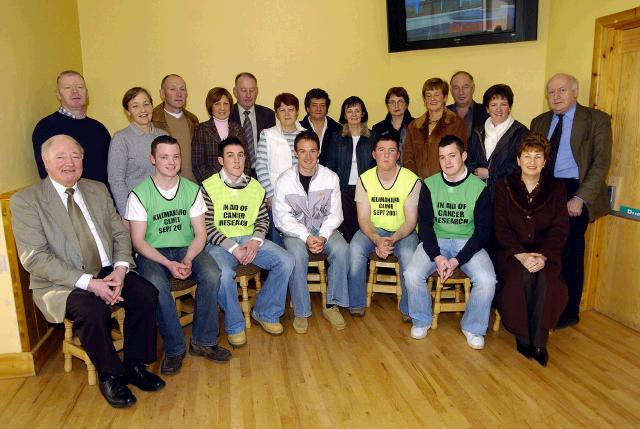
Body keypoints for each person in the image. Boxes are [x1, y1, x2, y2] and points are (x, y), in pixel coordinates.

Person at [11, 135, 164, 408]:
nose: (69, 163)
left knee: (146, 293)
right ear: (45, 162)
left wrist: (120, 268)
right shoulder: (27, 201)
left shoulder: (96, 189)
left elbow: (119, 233)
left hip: (108, 269)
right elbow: (35, 258)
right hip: (63, 281)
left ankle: (134, 364)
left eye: (75, 156)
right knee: (92, 310)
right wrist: (89, 283)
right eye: (60, 157)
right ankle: (110, 375)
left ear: (83, 160)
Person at [126, 135, 230, 375]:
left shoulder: (192, 190)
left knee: (213, 273)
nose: (171, 162)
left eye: (175, 156)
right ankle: (174, 349)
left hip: (186, 246)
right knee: (156, 285)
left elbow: (201, 233)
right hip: (153, 252)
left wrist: (188, 259)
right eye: (164, 157)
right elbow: (138, 241)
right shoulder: (139, 194)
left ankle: (203, 341)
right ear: (152, 159)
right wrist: (168, 264)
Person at [530, 73, 612, 328]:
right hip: (544, 189)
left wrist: (580, 198)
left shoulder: (596, 120)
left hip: (575, 189)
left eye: (562, 90)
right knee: (542, 248)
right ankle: (543, 305)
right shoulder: (539, 121)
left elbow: (601, 163)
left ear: (575, 92)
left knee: (570, 252)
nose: (556, 96)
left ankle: (567, 312)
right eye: (551, 92)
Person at [404, 134, 496, 349]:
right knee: (412, 274)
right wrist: (437, 256)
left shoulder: (479, 188)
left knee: (487, 280)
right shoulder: (428, 185)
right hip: (436, 241)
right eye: (442, 157)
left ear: (463, 156)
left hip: (468, 242)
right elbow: (424, 226)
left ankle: (472, 327)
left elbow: (483, 232)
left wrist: (456, 260)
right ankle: (421, 319)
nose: (447, 162)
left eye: (452, 155)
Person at [202, 136, 293, 342]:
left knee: (287, 260)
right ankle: (234, 325)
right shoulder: (208, 186)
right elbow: (206, 226)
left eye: (241, 155)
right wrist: (235, 248)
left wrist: (255, 241)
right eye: (230, 156)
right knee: (224, 274)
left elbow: (262, 220)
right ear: (220, 160)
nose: (236, 161)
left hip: (250, 240)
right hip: (220, 244)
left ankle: (265, 312)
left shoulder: (256, 187)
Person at [494, 134, 570, 366]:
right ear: (518, 160)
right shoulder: (503, 187)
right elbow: (501, 227)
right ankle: (523, 336)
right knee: (522, 278)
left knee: (547, 281)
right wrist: (521, 254)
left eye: (538, 156)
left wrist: (544, 255)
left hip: (546, 253)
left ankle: (539, 341)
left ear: (545, 162)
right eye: (527, 156)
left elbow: (560, 228)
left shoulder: (557, 189)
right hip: (512, 252)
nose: (532, 161)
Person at [273, 131, 350, 333]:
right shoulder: (284, 180)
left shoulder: (330, 177)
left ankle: (332, 305)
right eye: (303, 152)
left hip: (325, 231)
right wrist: (306, 237)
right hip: (296, 234)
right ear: (295, 153)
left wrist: (323, 236)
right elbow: (282, 218)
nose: (308, 157)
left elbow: (336, 214)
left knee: (342, 250)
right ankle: (301, 310)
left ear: (319, 152)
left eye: (312, 151)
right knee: (297, 254)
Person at [348, 135, 420, 319]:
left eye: (391, 150)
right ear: (374, 154)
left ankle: (408, 308)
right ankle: (356, 302)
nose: (386, 155)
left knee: (409, 254)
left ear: (398, 155)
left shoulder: (412, 180)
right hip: (374, 229)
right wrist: (377, 239)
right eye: (381, 150)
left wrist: (393, 239)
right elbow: (363, 218)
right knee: (355, 248)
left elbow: (411, 220)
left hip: (403, 231)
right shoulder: (364, 179)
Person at [33, 70, 111, 186]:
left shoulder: (99, 129)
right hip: (68, 198)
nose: (75, 92)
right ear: (58, 94)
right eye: (68, 88)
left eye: (80, 87)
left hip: (100, 198)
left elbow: (111, 169)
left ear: (87, 93)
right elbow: (45, 172)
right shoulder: (46, 127)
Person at [321, 96, 377, 242]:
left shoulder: (372, 136)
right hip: (343, 189)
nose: (353, 115)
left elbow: (375, 166)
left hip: (365, 189)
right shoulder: (337, 137)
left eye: (357, 111)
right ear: (344, 115)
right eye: (349, 111)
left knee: (363, 226)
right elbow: (330, 165)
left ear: (363, 113)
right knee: (345, 227)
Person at [255, 93, 306, 246]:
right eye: (282, 110)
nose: (287, 114)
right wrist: (270, 195)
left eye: (291, 109)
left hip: (301, 199)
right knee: (277, 243)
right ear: (276, 113)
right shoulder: (268, 135)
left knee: (299, 241)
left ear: (297, 112)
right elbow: (261, 166)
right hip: (276, 199)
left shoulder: (306, 135)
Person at [108, 87, 167, 215]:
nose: (143, 110)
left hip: (165, 207)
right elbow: (116, 180)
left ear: (152, 106)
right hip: (137, 210)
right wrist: (127, 214)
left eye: (146, 104)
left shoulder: (164, 135)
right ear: (127, 111)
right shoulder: (121, 139)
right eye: (135, 106)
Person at [466, 84, 528, 199]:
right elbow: (468, 159)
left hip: (507, 195)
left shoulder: (520, 132)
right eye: (493, 105)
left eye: (503, 104)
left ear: (509, 107)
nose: (498, 109)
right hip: (478, 194)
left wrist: (491, 173)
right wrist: (475, 171)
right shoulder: (477, 131)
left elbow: (522, 164)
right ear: (487, 109)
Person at [403, 77, 467, 180]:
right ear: (424, 99)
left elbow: (459, 155)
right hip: (420, 184)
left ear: (445, 97)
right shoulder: (414, 126)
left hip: (447, 183)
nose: (432, 99)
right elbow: (408, 158)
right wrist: (416, 179)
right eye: (428, 95)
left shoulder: (456, 123)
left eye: (437, 95)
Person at [192, 87, 248, 183]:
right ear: (210, 106)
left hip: (237, 184)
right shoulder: (201, 129)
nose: (222, 108)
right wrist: (216, 183)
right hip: (211, 186)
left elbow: (246, 160)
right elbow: (198, 164)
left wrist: (237, 181)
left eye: (225, 103)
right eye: (217, 104)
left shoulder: (238, 129)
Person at [151, 74, 199, 182]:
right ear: (162, 94)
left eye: (182, 89)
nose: (179, 94)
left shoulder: (193, 120)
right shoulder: (152, 119)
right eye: (173, 89)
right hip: (165, 187)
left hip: (193, 186)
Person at [230, 72, 276, 174]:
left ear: (257, 91)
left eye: (252, 90)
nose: (248, 95)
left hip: (263, 173)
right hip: (235, 173)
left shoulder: (269, 115)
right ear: (235, 92)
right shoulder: (227, 115)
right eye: (243, 90)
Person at [447, 71, 489, 143]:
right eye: (456, 88)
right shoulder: (443, 113)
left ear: (473, 88)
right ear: (451, 90)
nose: (461, 92)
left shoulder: (487, 112)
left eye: (465, 87)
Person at [372, 86, 414, 158]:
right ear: (387, 106)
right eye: (392, 102)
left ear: (406, 104)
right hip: (386, 168)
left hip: (411, 168)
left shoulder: (416, 125)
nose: (396, 106)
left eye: (400, 101)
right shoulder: (378, 128)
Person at [299, 88, 341, 152]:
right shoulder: (299, 128)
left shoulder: (338, 129)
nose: (319, 109)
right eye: (314, 105)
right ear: (308, 108)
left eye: (322, 105)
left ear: (327, 108)